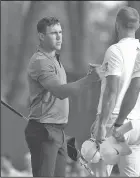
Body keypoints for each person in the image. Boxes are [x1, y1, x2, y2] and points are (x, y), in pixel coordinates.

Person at [24, 16, 101, 177]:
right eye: (53, 33)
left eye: (60, 32)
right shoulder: (40, 61)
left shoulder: (55, 60)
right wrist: (90, 79)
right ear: (41, 36)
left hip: (58, 131)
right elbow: (60, 92)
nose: (59, 37)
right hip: (44, 130)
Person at [91, 6, 140, 177]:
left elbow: (112, 92)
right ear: (138, 25)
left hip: (114, 121)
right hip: (135, 124)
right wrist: (103, 72)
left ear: (117, 24)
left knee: (100, 173)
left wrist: (100, 124)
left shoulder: (115, 51)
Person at [114, 45, 140, 176]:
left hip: (133, 123)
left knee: (99, 169)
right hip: (137, 123)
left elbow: (135, 89)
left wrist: (118, 123)